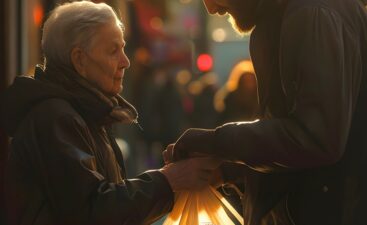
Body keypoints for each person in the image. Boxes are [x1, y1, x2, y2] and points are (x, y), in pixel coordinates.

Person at [164, 0, 367, 224]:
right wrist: (227, 169)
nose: (212, 7)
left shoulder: (312, 12)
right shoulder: (293, 15)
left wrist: (218, 143)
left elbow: (315, 138)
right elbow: (299, 154)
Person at [0, 1, 220, 225]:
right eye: (113, 50)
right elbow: (92, 212)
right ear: (80, 59)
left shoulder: (81, 114)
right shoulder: (56, 118)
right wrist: (168, 180)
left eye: (123, 48)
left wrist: (169, 179)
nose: (125, 61)